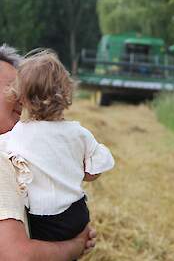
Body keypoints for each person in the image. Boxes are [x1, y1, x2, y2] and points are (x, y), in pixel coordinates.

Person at [3, 49, 115, 242]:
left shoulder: (17, 135)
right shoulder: (79, 133)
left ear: (22, 97)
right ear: (67, 94)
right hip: (77, 214)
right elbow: (93, 172)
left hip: (43, 221)